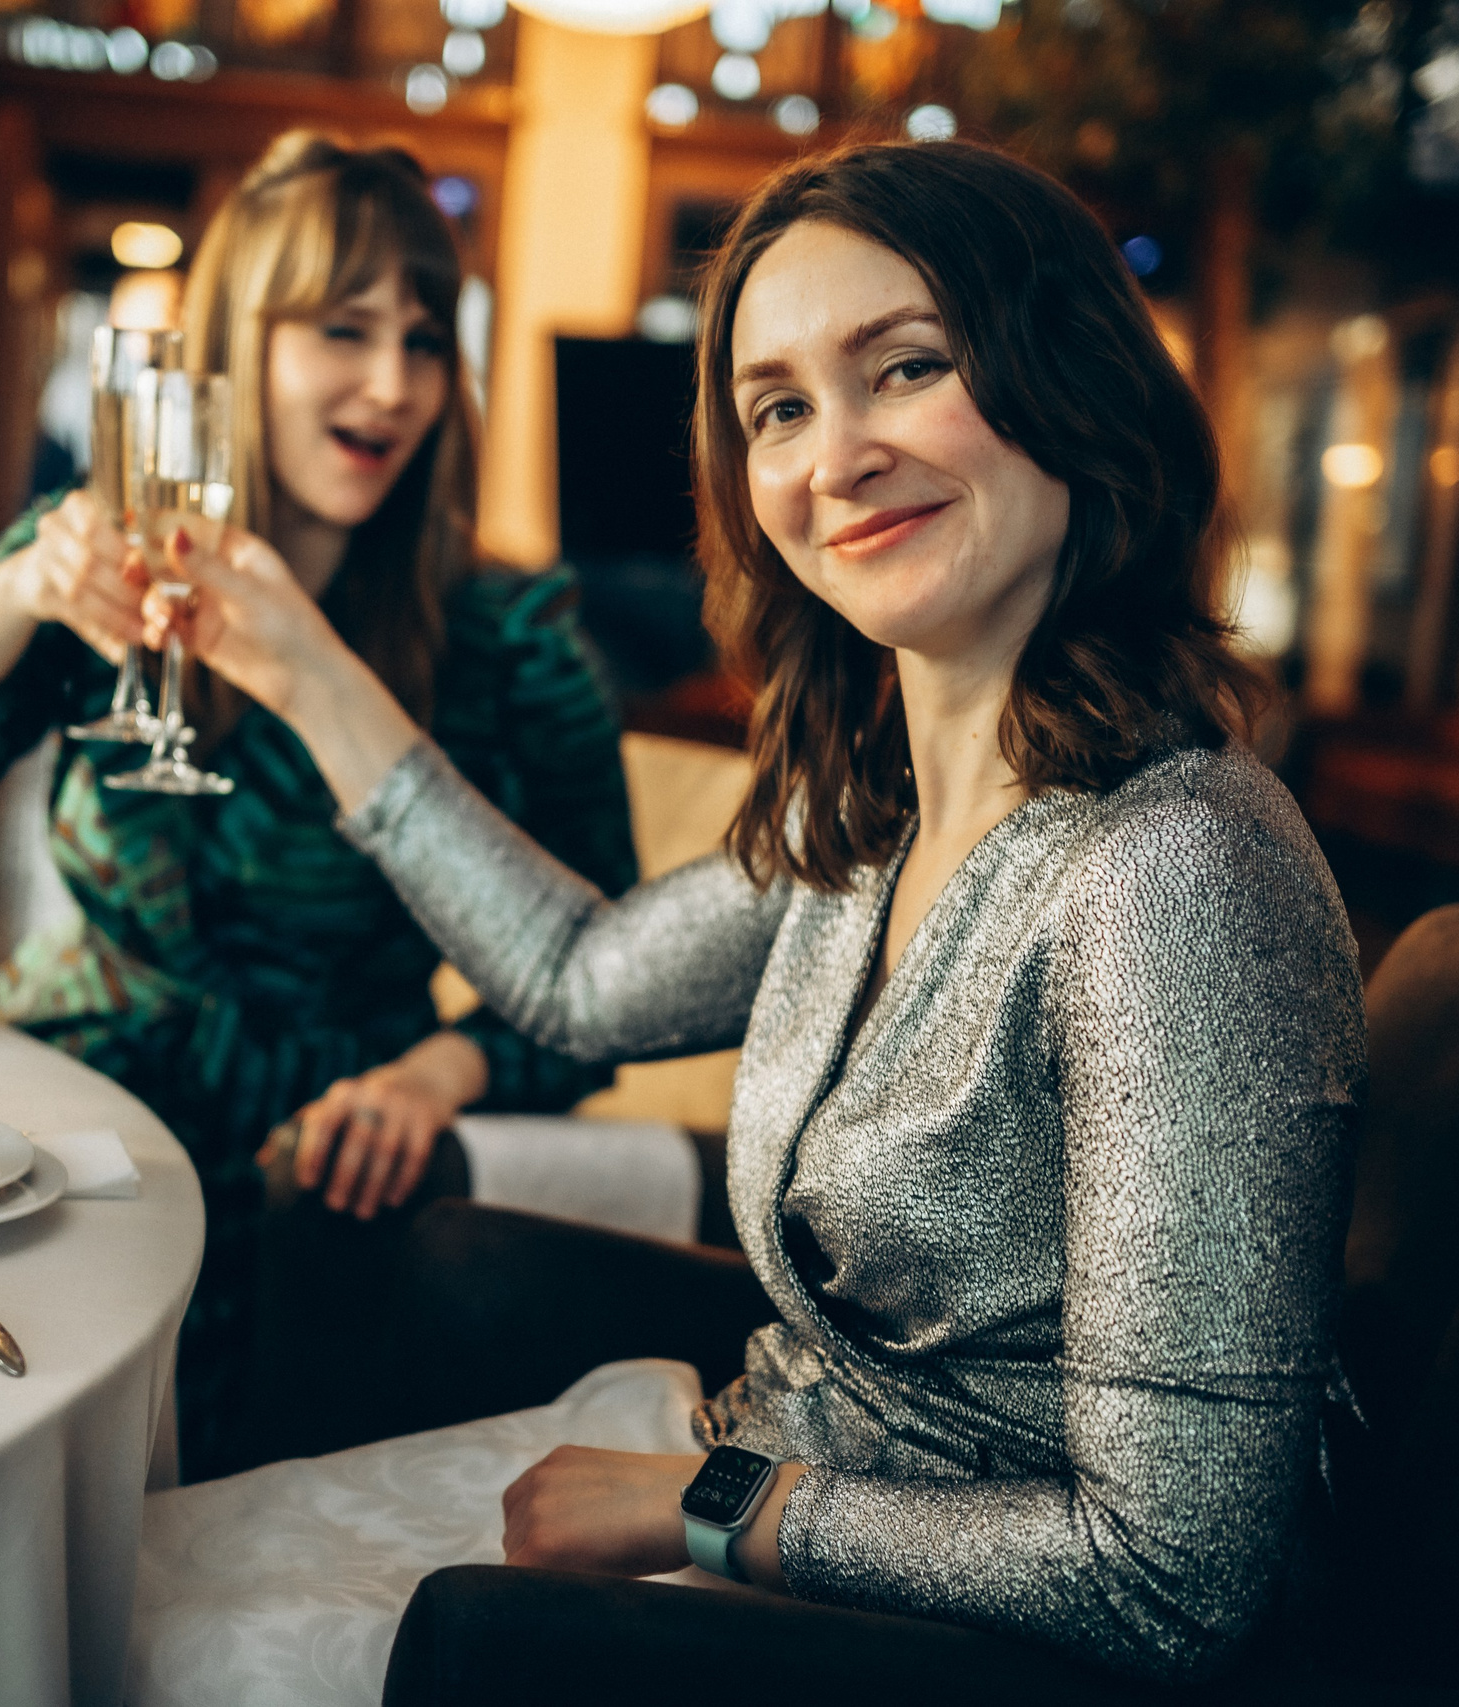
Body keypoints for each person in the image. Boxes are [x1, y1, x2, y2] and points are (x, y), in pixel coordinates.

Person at [129, 138, 1364, 1692]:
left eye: (904, 367)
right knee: (136, 1582)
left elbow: (1176, 1574)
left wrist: (714, 1504)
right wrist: (303, 669)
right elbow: (577, 980)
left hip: (900, 1644)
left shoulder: (1170, 868)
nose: (830, 456)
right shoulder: (878, 822)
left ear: (1073, 383)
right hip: (760, 1490)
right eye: (778, 406)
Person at [0, 133, 637, 1479]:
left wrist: (436, 1074)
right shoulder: (111, 547)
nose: (393, 386)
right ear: (232, 348)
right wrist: (23, 587)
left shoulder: (510, 636)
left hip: (317, 1174)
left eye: (426, 340)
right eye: (343, 329)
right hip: (53, 1118)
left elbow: (612, 973)